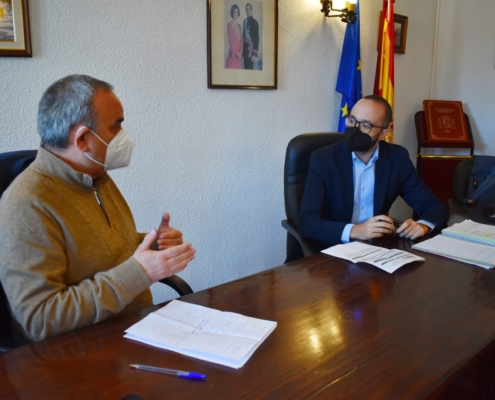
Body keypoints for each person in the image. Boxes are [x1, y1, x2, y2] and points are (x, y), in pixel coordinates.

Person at [0, 75, 196, 342]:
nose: (123, 138)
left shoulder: (94, 175)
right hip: (82, 356)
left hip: (134, 332)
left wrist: (152, 248)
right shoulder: (26, 204)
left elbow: (100, 253)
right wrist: (141, 271)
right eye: (116, 128)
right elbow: (41, 319)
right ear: (82, 140)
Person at [299, 95, 449, 249]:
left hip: (376, 249)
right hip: (331, 250)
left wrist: (423, 225)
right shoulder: (324, 159)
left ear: (383, 134)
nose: (355, 129)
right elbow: (307, 223)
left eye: (365, 125)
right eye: (352, 121)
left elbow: (434, 207)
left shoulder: (397, 158)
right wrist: (356, 230)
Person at [225, 4, 243, 69]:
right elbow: (231, 41)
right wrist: (236, 53)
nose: (235, 14)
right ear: (232, 13)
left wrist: (240, 52)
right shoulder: (229, 25)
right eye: (234, 12)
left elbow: (241, 40)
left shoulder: (239, 26)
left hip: (239, 55)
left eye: (237, 12)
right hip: (233, 54)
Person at [242, 3, 259, 70]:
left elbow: (256, 38)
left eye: (249, 9)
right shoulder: (244, 21)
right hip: (245, 51)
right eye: (246, 9)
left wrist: (254, 54)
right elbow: (243, 36)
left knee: (251, 70)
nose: (247, 11)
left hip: (251, 52)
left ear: (251, 10)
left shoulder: (255, 22)